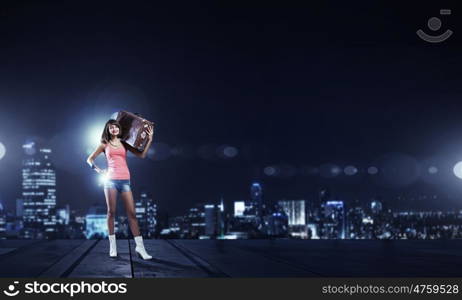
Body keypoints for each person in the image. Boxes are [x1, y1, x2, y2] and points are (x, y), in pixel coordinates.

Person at [86, 119, 154, 259]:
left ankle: (140, 248)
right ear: (108, 130)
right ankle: (113, 247)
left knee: (132, 214)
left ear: (119, 129)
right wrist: (99, 171)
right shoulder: (104, 144)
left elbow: (142, 155)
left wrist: (150, 139)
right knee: (111, 212)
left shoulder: (125, 143)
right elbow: (89, 159)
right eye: (111, 128)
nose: (114, 129)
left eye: (116, 127)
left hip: (125, 181)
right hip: (110, 180)